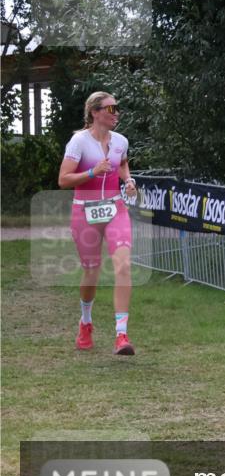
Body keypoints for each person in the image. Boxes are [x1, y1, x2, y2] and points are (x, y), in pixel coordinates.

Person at [58, 91, 138, 356]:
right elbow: (63, 180)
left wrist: (128, 181)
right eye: (111, 108)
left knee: (123, 265)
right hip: (86, 211)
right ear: (95, 112)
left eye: (117, 108)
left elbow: (123, 164)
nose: (116, 113)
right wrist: (92, 172)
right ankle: (85, 321)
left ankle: (121, 335)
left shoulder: (121, 141)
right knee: (91, 272)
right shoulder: (79, 142)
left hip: (116, 208)